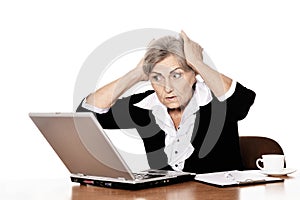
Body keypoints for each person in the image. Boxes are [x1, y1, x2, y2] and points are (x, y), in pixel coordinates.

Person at [77, 30, 256, 174]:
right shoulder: (145, 105)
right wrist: (136, 73)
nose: (167, 87)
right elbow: (85, 116)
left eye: (176, 75)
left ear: (193, 75)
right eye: (157, 77)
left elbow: (242, 103)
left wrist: (198, 63)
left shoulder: (216, 100)